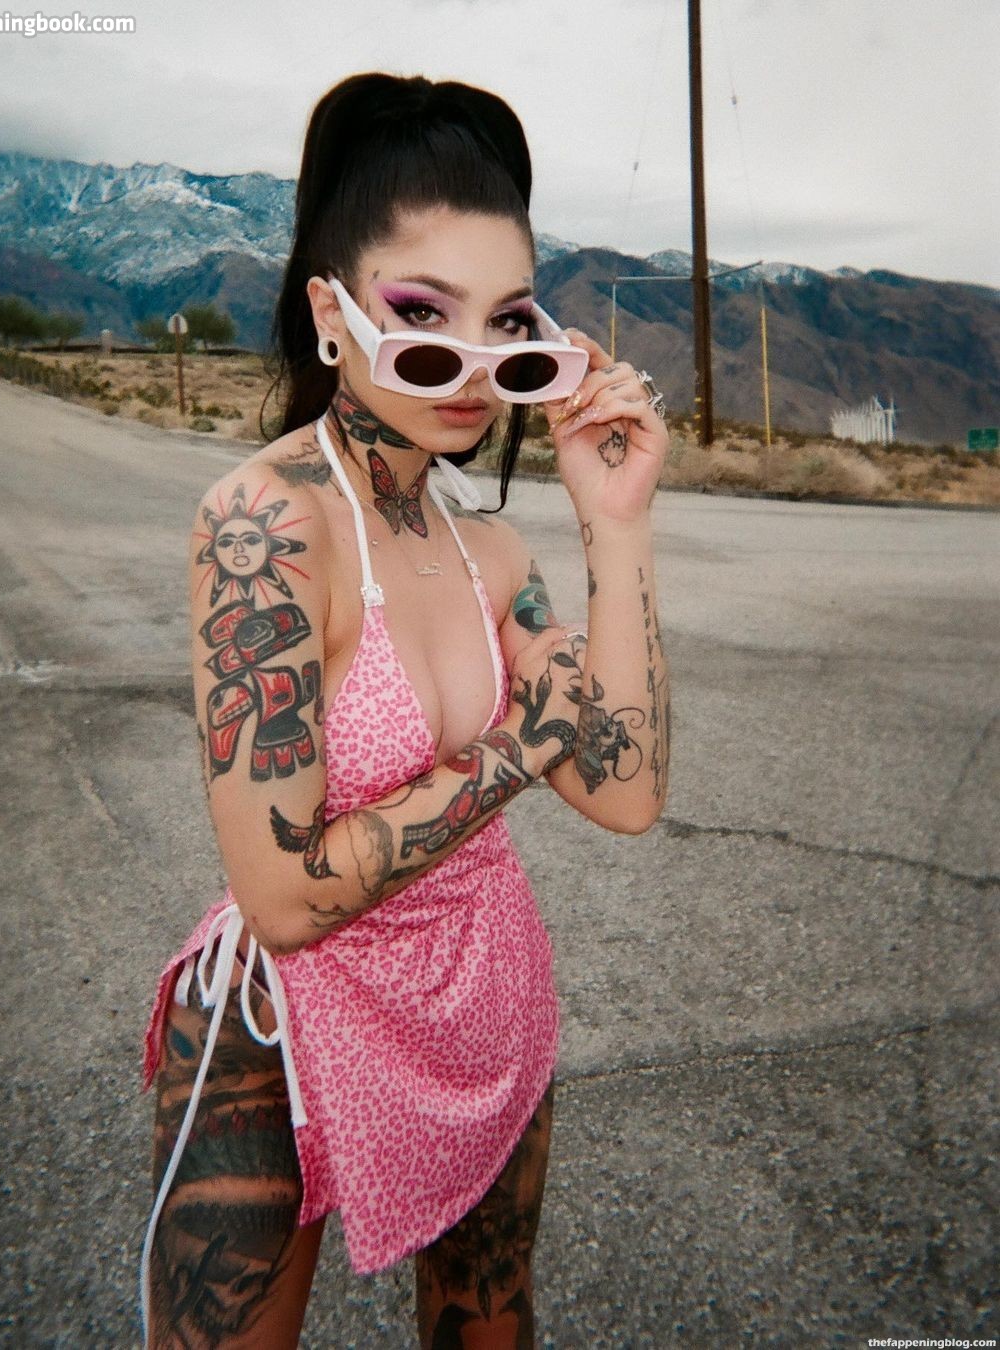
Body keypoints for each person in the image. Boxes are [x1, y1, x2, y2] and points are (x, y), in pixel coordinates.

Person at [139, 71, 671, 1349]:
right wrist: (516, 749)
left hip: (484, 998)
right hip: (285, 1026)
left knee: (490, 1321)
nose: (473, 370)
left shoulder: (488, 549)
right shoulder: (267, 527)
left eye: (509, 327)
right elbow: (283, 896)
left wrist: (616, 524)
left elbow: (625, 790)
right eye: (424, 319)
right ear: (332, 314)